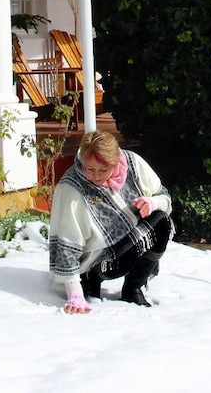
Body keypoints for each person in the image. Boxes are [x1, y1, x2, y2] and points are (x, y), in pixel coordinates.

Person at [48, 130, 173, 314]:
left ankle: (133, 287)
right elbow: (67, 246)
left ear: (116, 162)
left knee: (162, 222)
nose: (96, 176)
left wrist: (151, 203)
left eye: (103, 170)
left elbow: (165, 197)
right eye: (90, 169)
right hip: (93, 260)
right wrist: (75, 294)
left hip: (127, 244)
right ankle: (91, 280)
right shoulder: (72, 188)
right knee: (97, 265)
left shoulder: (132, 164)